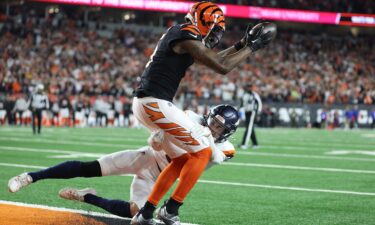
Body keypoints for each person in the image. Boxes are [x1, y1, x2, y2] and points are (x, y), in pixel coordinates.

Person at [131, 2, 275, 224]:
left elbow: (215, 60)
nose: (216, 35)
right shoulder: (185, 31)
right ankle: (170, 210)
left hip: (151, 103)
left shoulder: (185, 36)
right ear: (202, 20)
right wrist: (252, 47)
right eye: (215, 28)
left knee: (181, 158)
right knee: (202, 152)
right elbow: (222, 66)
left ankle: (146, 213)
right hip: (154, 103)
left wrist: (241, 45)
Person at [8, 105, 239, 221]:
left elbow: (214, 155)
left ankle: (86, 196)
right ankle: (30, 176)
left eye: (220, 128)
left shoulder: (225, 148)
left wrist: (205, 137)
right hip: (146, 157)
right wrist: (157, 138)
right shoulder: (190, 117)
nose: (214, 129)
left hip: (158, 178)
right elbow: (166, 129)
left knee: (136, 213)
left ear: (227, 132)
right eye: (213, 123)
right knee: (90, 168)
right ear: (208, 117)